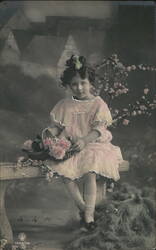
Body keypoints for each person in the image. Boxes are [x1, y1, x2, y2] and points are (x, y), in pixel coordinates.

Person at [45, 55, 124, 232]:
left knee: (90, 170)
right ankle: (84, 208)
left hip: (94, 145)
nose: (79, 88)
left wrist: (84, 140)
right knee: (65, 174)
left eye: (83, 83)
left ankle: (88, 215)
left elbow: (99, 130)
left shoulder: (98, 103)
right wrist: (50, 134)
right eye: (74, 84)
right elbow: (57, 127)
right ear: (68, 86)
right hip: (72, 146)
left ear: (90, 83)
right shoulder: (65, 105)